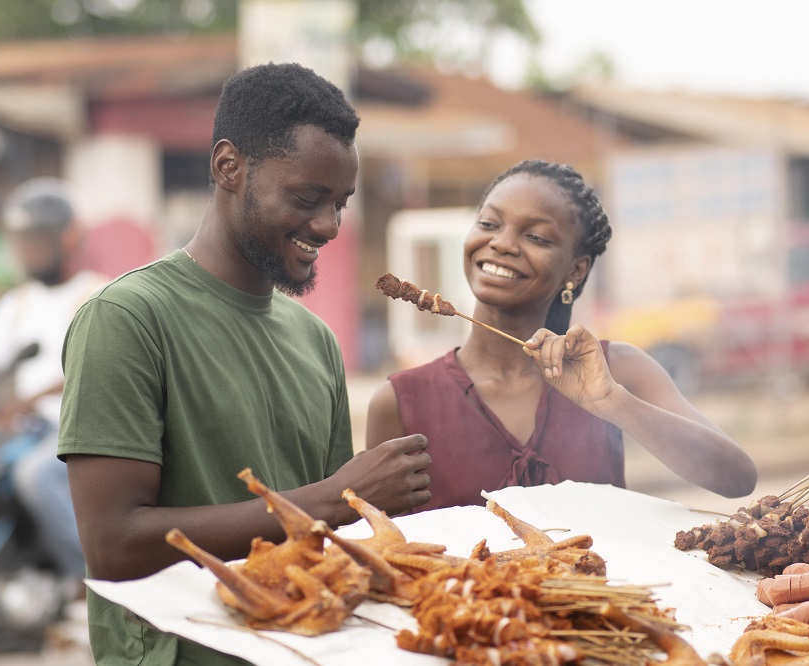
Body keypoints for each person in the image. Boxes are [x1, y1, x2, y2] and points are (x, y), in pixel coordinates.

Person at [57, 62, 431, 666]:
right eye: (308, 199)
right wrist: (336, 498)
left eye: (340, 204)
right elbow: (113, 545)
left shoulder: (315, 340)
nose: (329, 226)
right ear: (228, 166)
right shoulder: (127, 318)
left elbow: (325, 539)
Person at [366, 159, 758, 511]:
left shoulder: (618, 368)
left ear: (576, 269)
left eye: (536, 237)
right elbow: (385, 545)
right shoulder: (400, 402)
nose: (501, 243)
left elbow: (737, 479)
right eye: (488, 224)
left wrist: (611, 402)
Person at [0, 177, 107, 588]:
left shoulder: (98, 294)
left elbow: (100, 369)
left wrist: (33, 397)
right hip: (31, 429)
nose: (27, 250)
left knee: (36, 476)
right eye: (22, 240)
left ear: (67, 238)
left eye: (37, 240)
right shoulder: (19, 302)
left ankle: (96, 584)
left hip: (80, 428)